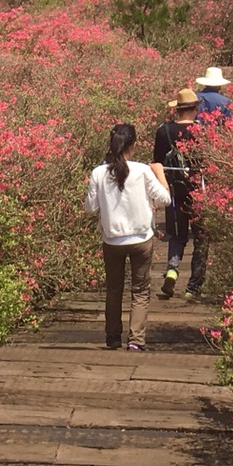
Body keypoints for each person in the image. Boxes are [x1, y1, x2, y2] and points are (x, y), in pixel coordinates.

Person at [86, 122, 172, 351]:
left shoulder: (98, 173)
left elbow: (90, 208)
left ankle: (113, 337)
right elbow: (165, 199)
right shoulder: (143, 170)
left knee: (114, 289)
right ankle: (136, 340)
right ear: (133, 145)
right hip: (141, 240)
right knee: (141, 290)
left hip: (112, 240)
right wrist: (160, 174)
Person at [152, 88, 207, 300]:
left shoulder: (163, 131)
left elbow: (157, 163)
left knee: (177, 235)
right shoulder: (204, 130)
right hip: (200, 191)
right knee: (201, 238)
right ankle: (193, 287)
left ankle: (173, 271)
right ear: (195, 108)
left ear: (177, 109)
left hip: (174, 190)